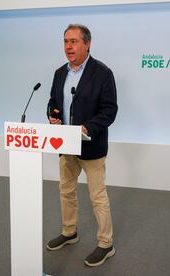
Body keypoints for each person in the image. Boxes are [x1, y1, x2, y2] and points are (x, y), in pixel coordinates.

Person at [46, 24, 118, 267]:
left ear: (87, 44)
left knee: (97, 197)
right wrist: (53, 115)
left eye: (74, 41)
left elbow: (110, 110)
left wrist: (87, 127)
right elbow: (53, 102)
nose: (68, 46)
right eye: (66, 41)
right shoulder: (59, 73)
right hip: (66, 146)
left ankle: (106, 243)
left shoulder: (102, 73)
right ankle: (70, 232)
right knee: (66, 191)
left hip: (91, 146)